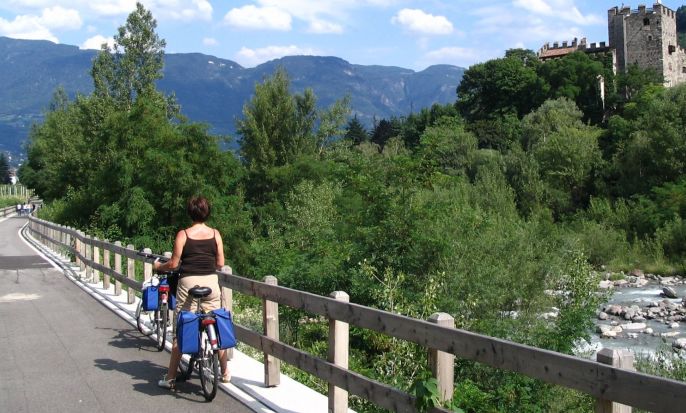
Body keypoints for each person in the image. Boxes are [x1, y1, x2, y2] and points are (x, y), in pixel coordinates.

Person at [154, 195, 230, 389]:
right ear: (207, 212)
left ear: (190, 212)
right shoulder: (215, 234)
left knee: (182, 327)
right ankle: (226, 372)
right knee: (217, 323)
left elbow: (174, 264)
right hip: (211, 284)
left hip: (189, 285)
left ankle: (170, 378)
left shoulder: (183, 234)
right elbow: (220, 263)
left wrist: (159, 266)